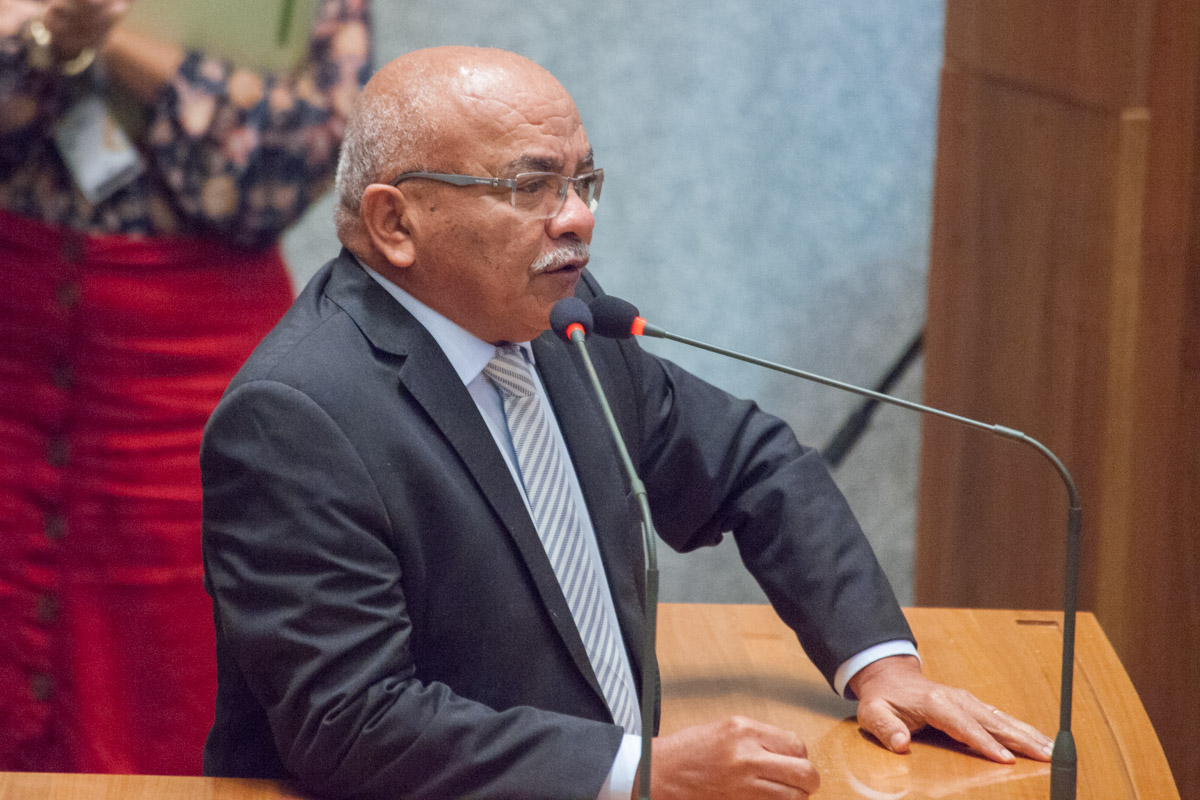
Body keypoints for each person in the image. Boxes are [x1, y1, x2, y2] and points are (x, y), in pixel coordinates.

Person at [199, 46, 1054, 800]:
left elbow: (755, 465)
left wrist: (879, 662)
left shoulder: (565, 325)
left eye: (583, 181)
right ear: (396, 223)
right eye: (531, 186)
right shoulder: (296, 418)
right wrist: (637, 773)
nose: (577, 217)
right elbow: (351, 722)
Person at [0, 0, 371, 774]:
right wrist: (40, 43)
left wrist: (101, 38)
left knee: (182, 656)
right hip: (14, 331)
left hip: (191, 366)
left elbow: (287, 171)